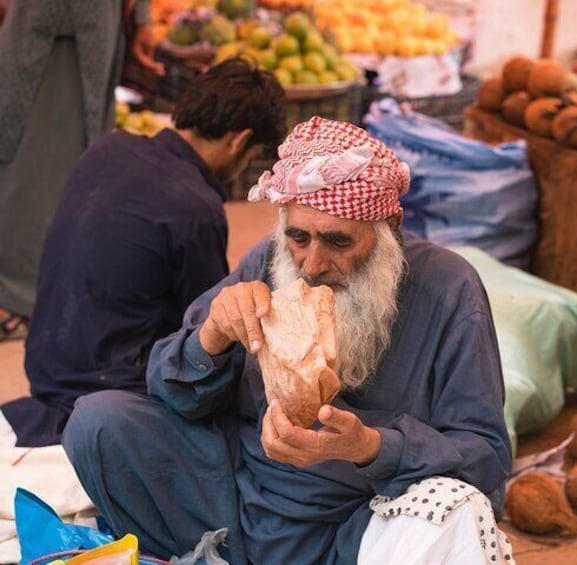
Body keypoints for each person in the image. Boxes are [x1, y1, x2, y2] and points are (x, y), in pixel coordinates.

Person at [63, 117, 515, 564]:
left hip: (358, 523)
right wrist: (212, 337)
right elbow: (169, 391)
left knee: (454, 509)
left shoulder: (449, 288)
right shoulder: (268, 258)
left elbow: (485, 456)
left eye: (338, 242)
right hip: (235, 496)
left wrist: (368, 447)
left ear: (389, 226)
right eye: (299, 236)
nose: (313, 263)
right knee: (98, 421)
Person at [1, 58, 287, 447]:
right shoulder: (195, 206)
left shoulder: (107, 148)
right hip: (106, 391)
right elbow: (206, 328)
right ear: (240, 141)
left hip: (45, 365)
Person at [0, 0, 163, 336]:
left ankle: (39, 299)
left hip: (92, 20)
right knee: (22, 148)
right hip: (38, 17)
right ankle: (19, 297)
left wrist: (142, 17)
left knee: (73, 152)